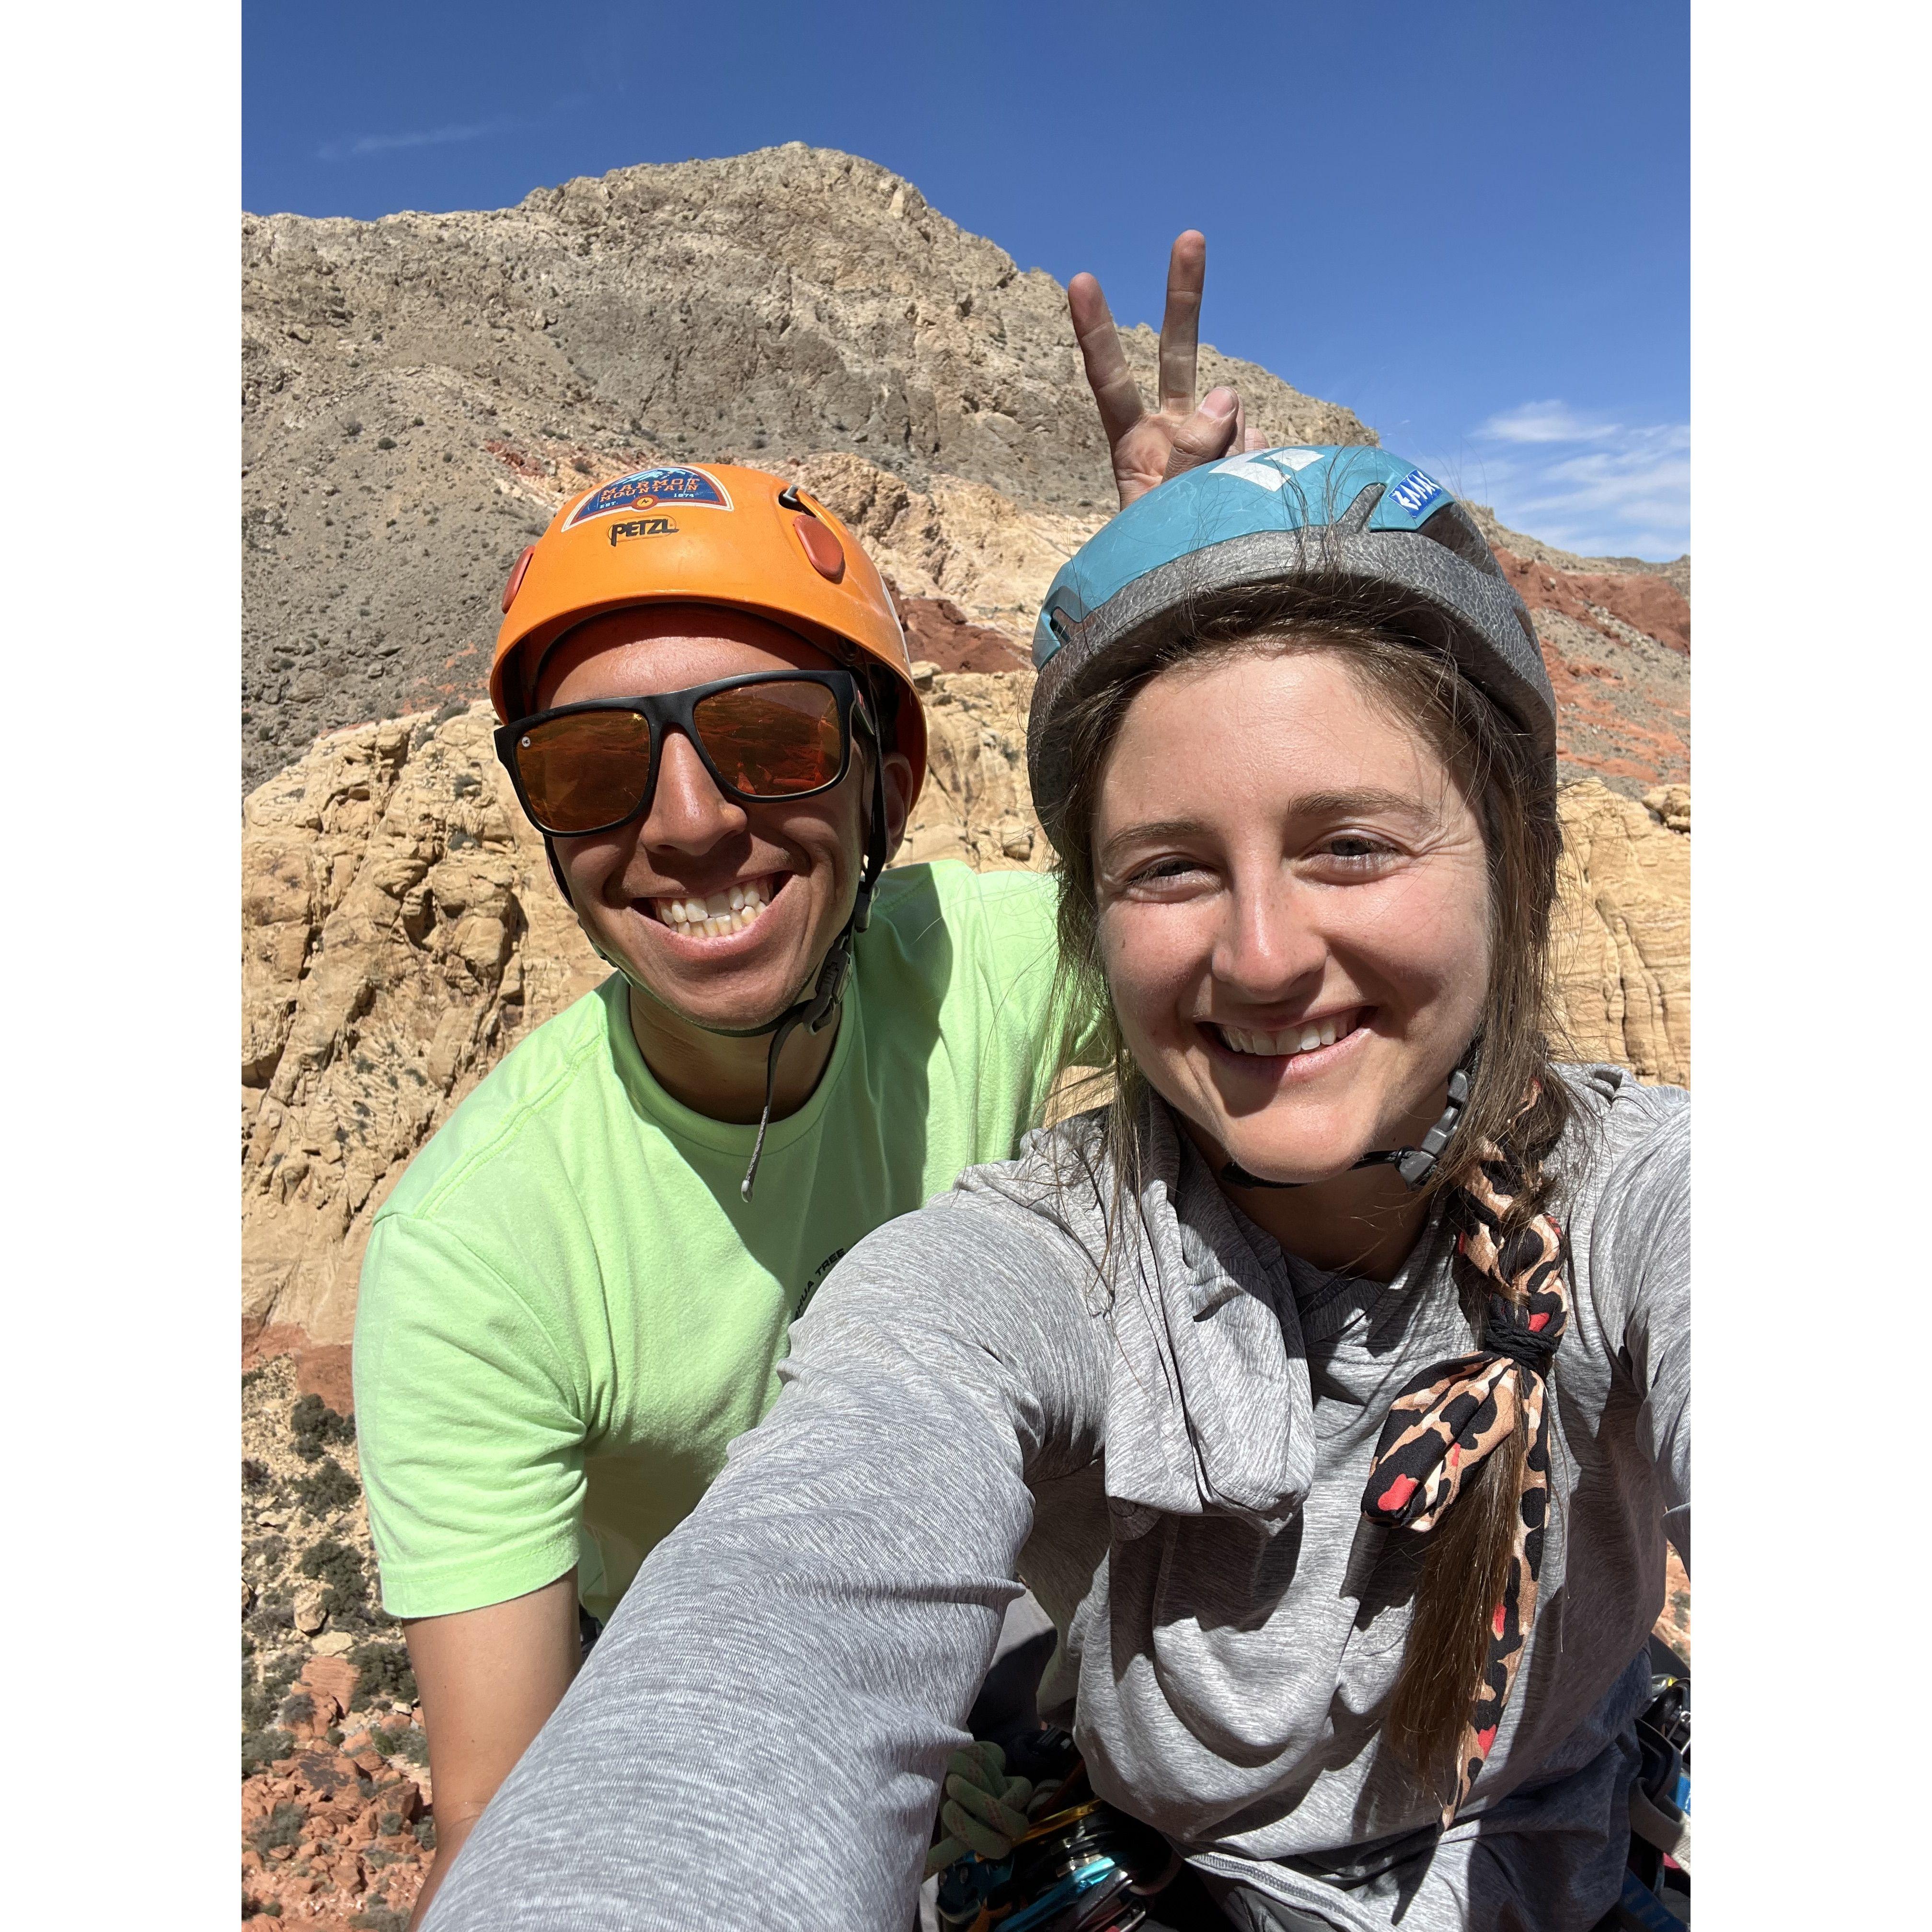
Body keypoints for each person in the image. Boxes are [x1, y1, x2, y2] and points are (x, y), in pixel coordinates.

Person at [415, 440, 1690, 1932]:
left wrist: (1199, 567)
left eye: (1351, 842)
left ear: (1519, 861)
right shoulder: (1007, 1262)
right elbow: (818, 1548)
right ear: (1102, 924)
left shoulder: (1642, 1200)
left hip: (1572, 1837)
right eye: (1170, 869)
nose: (1264, 954)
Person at [350, 231, 1261, 1925]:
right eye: (597, 765)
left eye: (767, 738)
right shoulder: (474, 1255)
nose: (688, 821)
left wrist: (1175, 605)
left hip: (969, 1564)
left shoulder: (978, 960)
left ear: (879, 785)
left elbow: (1246, 940)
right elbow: (511, 1809)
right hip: (683, 1652)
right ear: (549, 831)